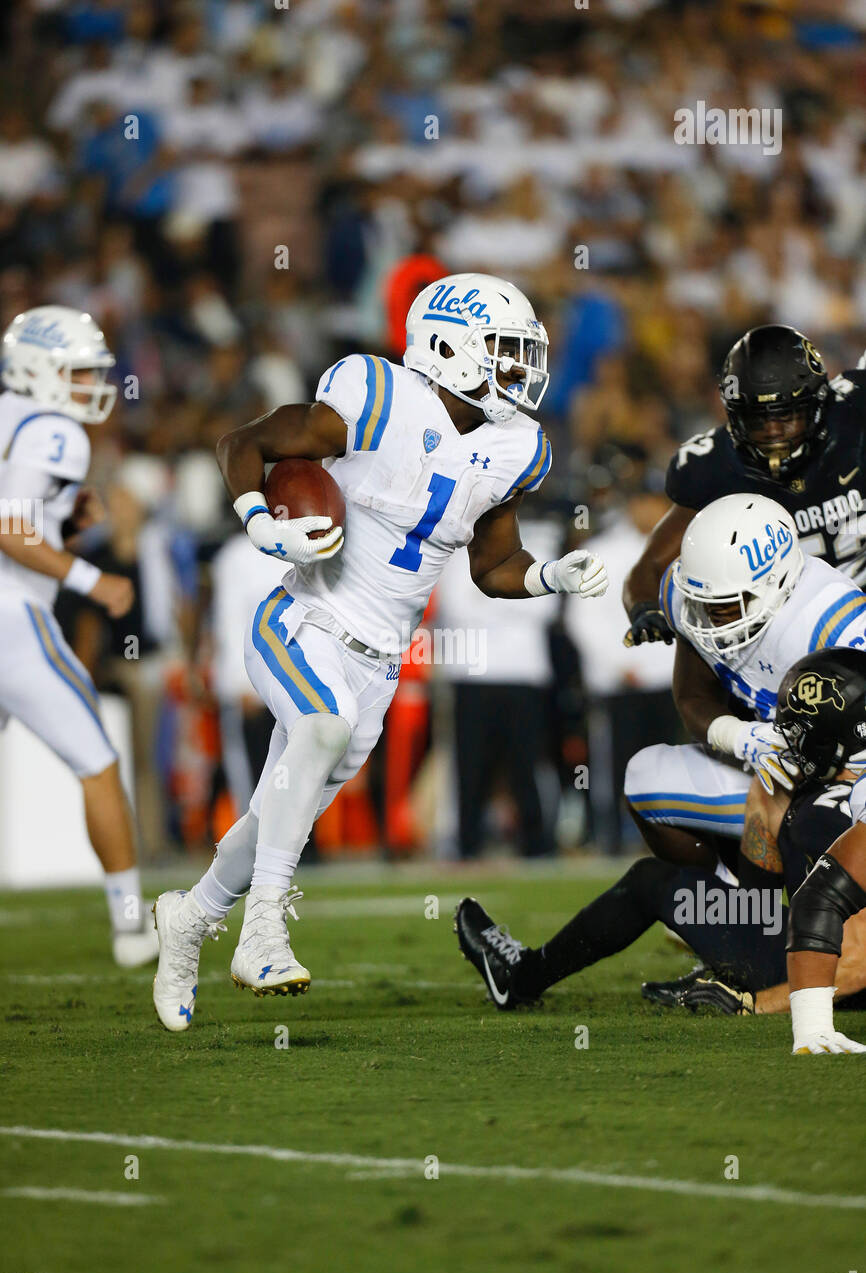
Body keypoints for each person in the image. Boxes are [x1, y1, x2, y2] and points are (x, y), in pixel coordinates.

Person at [152, 272, 608, 1032]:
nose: (519, 367)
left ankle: (189, 921)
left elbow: (494, 566)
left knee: (276, 813)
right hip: (302, 619)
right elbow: (246, 443)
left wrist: (549, 575)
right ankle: (264, 926)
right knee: (319, 727)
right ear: (447, 346)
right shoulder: (378, 395)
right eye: (502, 349)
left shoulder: (516, 447)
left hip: (379, 661)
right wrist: (263, 525)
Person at [453, 647, 866, 1060]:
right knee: (744, 824)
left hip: (836, 975)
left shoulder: (851, 804)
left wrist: (754, 1004)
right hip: (810, 949)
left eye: (802, 728)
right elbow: (769, 878)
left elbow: (859, 961)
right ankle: (732, 966)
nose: (788, 737)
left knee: (652, 881)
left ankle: (522, 977)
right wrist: (744, 922)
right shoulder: (823, 781)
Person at [0, 305, 156, 965]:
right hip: (11, 616)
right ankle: (130, 927)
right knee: (97, 762)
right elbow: (9, 530)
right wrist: (94, 581)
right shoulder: (54, 429)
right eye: (78, 370)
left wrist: (64, 519)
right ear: (38, 367)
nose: (93, 383)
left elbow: (22, 515)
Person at [623, 492, 866, 871]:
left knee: (817, 824)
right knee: (645, 775)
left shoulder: (834, 621)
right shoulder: (693, 597)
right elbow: (692, 696)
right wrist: (742, 738)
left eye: (726, 604)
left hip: (847, 781)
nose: (708, 616)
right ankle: (730, 910)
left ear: (777, 581)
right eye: (702, 601)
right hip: (770, 769)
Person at [623, 325, 866, 647]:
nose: (773, 432)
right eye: (758, 419)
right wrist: (644, 608)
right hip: (787, 638)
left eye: (786, 415)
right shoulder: (711, 468)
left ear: (819, 403)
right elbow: (650, 566)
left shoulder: (855, 414)